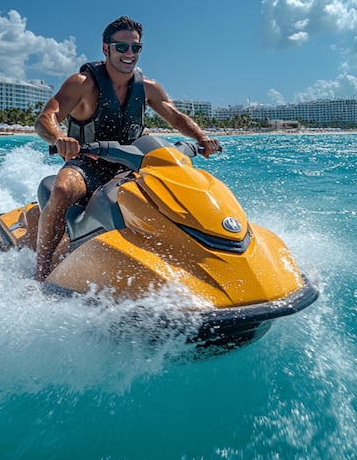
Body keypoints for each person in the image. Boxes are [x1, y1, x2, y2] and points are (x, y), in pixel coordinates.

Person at [33, 16, 221, 281]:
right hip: (88, 163)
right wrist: (59, 137)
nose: (129, 54)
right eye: (122, 47)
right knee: (63, 189)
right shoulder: (83, 83)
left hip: (131, 163)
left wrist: (201, 138)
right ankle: (40, 274)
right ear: (106, 48)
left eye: (136, 48)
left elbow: (176, 117)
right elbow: (45, 118)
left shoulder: (148, 88)